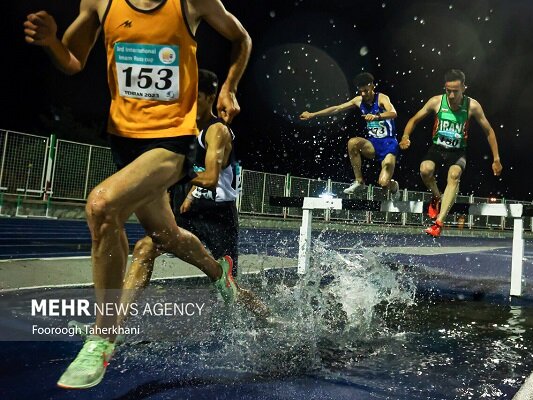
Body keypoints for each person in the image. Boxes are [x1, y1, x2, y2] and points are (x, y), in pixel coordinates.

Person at [24, 0, 252, 389]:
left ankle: (103, 336)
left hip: (173, 141)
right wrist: (50, 43)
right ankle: (221, 277)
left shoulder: (192, 3)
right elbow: (73, 61)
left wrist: (228, 86)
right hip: (125, 142)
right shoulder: (99, 3)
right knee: (165, 235)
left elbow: (240, 38)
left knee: (102, 206)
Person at [118, 69, 269, 329]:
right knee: (145, 248)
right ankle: (114, 326)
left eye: (195, 95)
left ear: (210, 97)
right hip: (186, 217)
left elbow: (210, 177)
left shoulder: (217, 131)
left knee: (229, 288)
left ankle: (267, 318)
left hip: (217, 218)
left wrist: (170, 175)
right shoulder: (180, 131)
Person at [400, 69, 502, 237]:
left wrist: (496, 159)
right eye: (448, 91)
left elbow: (489, 131)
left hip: (457, 152)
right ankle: (437, 196)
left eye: (456, 91)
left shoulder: (472, 106)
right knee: (425, 170)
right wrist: (405, 136)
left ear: (464, 88)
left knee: (454, 175)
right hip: (437, 149)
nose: (452, 95)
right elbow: (414, 119)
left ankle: (439, 222)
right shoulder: (436, 102)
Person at [300, 72, 401, 198]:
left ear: (372, 87)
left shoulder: (382, 98)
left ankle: (393, 185)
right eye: (361, 91)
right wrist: (313, 114)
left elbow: (393, 113)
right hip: (373, 144)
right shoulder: (358, 101)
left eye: (366, 91)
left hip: (389, 145)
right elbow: (337, 108)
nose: (364, 94)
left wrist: (377, 116)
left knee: (383, 183)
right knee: (353, 142)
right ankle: (359, 181)